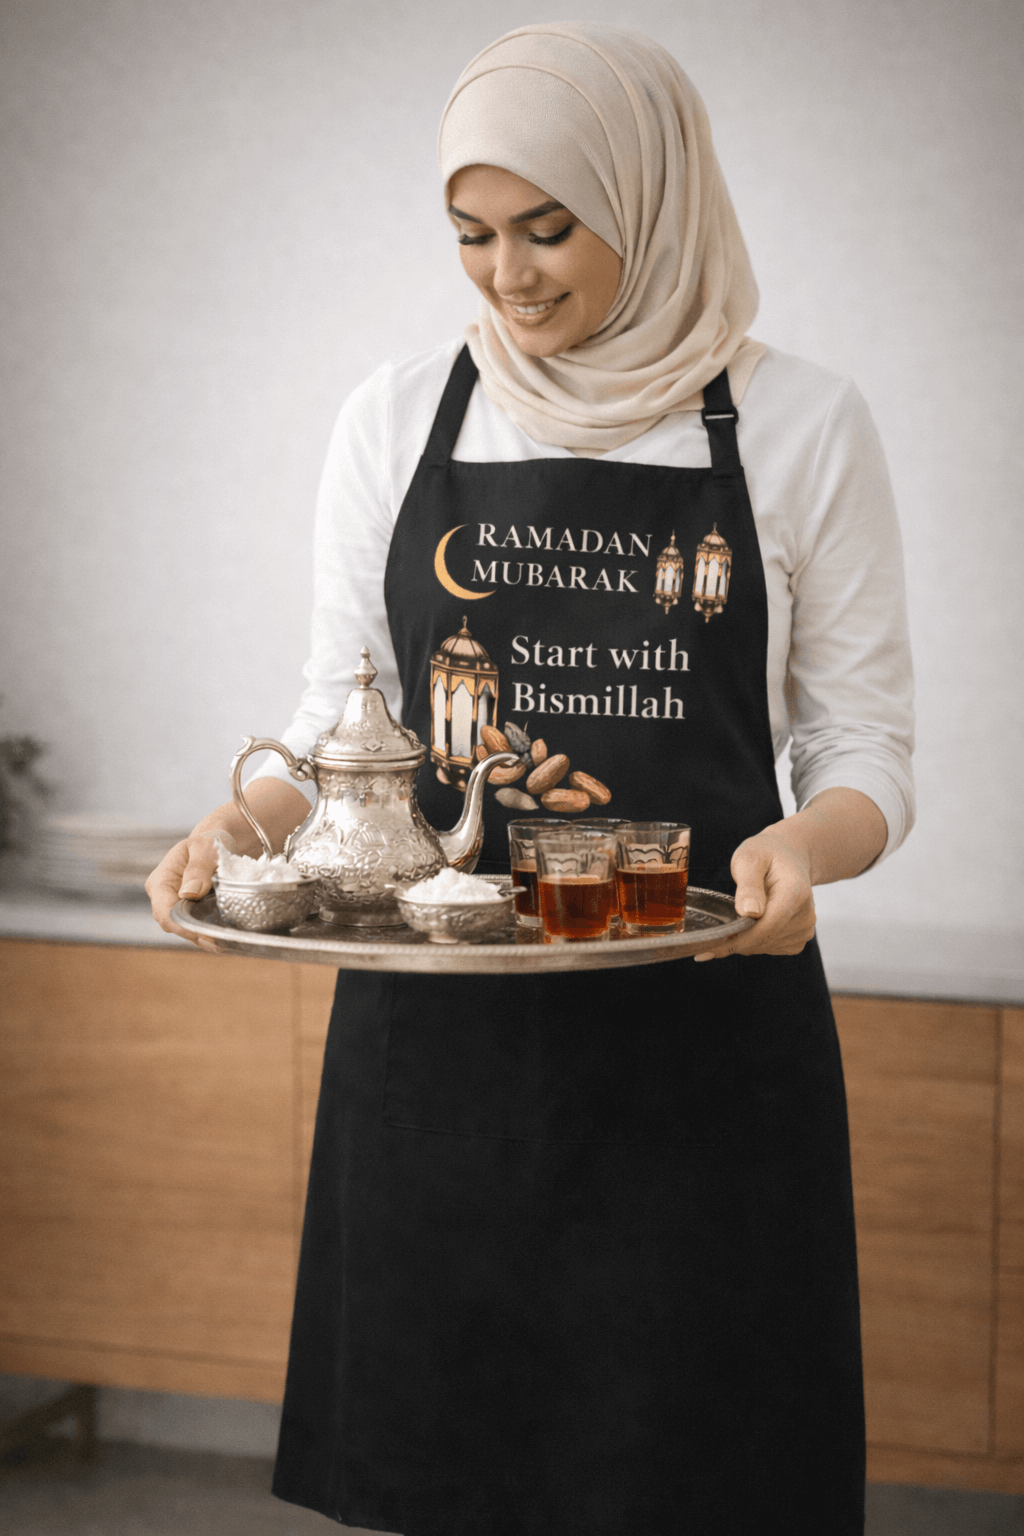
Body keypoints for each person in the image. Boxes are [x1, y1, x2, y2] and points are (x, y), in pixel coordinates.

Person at [148, 22, 913, 1534]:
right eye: (473, 235)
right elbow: (331, 723)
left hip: (701, 1047)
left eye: (552, 228)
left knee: (693, 1478)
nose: (510, 274)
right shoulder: (396, 415)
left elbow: (864, 749)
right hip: (438, 1054)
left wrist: (802, 850)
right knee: (448, 1477)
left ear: (652, 198)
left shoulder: (803, 423)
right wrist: (234, 830)